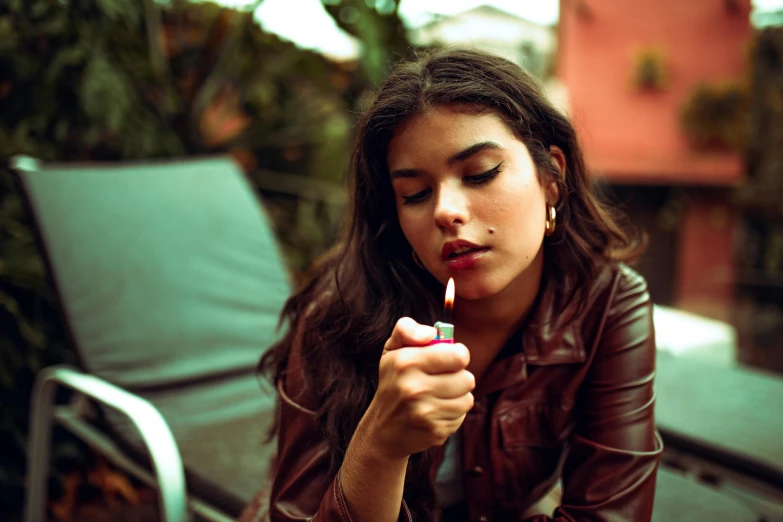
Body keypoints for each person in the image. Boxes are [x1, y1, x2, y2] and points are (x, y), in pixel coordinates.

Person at [250, 48, 662, 522]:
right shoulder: (338, 314)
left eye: (481, 173)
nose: (446, 210)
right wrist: (380, 444)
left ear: (551, 177)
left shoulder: (607, 302)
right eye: (415, 194)